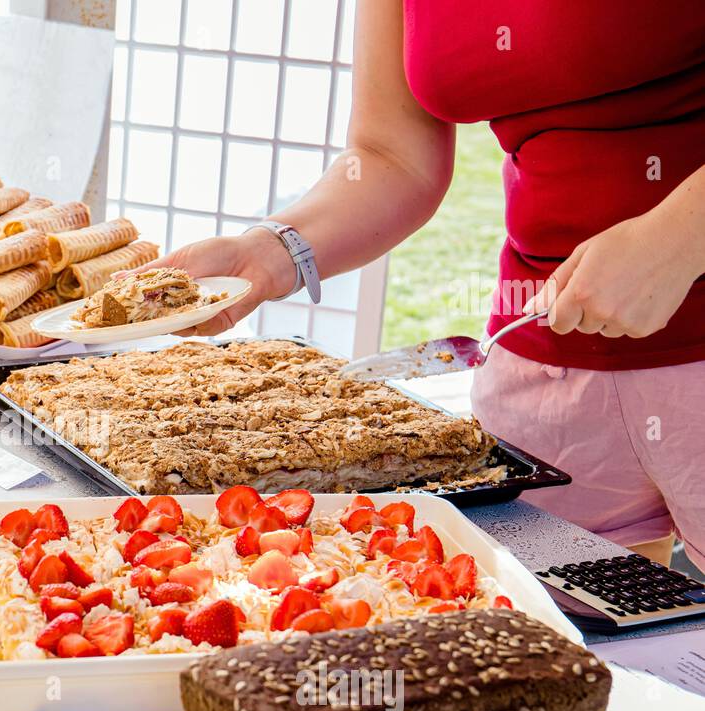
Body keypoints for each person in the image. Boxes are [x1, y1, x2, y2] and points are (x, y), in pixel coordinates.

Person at [142, 0, 705, 569]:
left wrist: (677, 242)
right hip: (540, 363)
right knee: (563, 647)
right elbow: (392, 157)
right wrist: (267, 252)